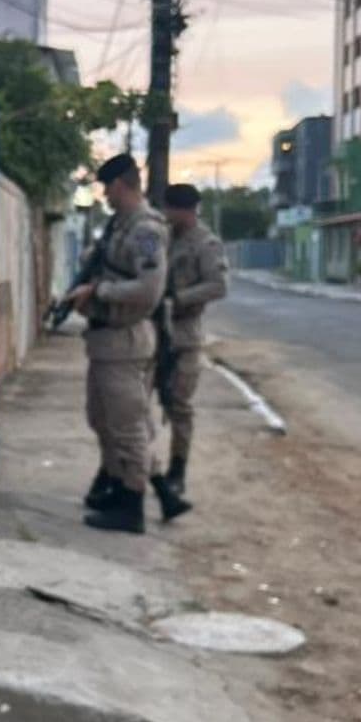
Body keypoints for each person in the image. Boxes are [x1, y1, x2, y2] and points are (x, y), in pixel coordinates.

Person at [61, 154, 187, 532]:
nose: (105, 195)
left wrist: (98, 290)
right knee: (103, 420)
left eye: (107, 188)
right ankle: (117, 486)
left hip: (125, 340)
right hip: (106, 340)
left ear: (120, 185)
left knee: (128, 425)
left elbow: (149, 288)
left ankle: (132, 504)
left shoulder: (146, 230)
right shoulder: (120, 226)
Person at [159, 184, 230, 501]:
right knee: (134, 404)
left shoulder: (206, 243)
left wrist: (178, 298)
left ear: (185, 210)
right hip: (155, 333)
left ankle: (177, 472)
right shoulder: (163, 237)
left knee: (180, 406)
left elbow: (217, 286)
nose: (166, 215)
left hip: (185, 336)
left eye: (171, 209)